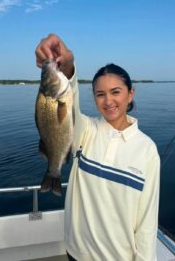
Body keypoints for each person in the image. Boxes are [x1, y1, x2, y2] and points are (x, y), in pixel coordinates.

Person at [35, 34, 160, 261]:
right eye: (100, 94)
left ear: (130, 94)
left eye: (116, 92)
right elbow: (67, 99)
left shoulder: (147, 150)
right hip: (76, 253)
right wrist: (68, 68)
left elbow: (147, 221)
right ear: (93, 98)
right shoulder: (85, 131)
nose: (108, 101)